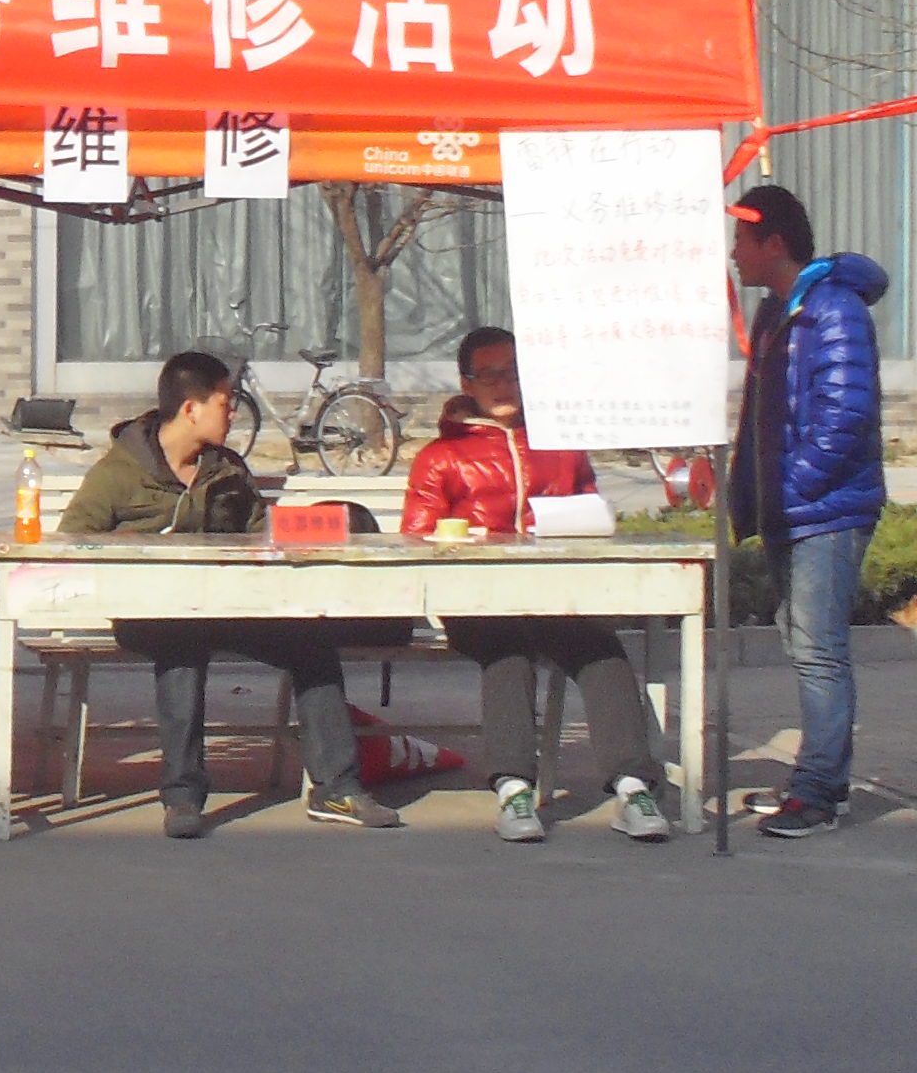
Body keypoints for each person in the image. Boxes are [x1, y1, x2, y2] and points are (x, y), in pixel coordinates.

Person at [59, 348, 384, 838]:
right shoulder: (120, 471)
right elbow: (71, 540)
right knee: (181, 640)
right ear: (191, 409)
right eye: (224, 402)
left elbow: (258, 532)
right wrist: (124, 547)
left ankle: (337, 787)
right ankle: (183, 795)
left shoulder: (226, 468)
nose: (232, 412)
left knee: (311, 643)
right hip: (149, 611)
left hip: (228, 605)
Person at [403, 326, 675, 844]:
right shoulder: (442, 456)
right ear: (467, 383)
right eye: (489, 375)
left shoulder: (560, 447)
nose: (504, 384)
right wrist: (459, 540)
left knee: (601, 652)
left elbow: (592, 516)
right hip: (477, 601)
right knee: (507, 653)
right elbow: (414, 541)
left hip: (553, 596)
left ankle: (634, 786)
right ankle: (513, 790)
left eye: (513, 373)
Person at [730, 184, 889, 840]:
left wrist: (793, 485)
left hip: (826, 511)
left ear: (774, 243)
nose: (733, 254)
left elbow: (845, 415)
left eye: (741, 241)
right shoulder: (777, 312)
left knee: (820, 650)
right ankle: (816, 778)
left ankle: (820, 793)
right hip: (790, 509)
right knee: (801, 643)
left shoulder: (834, 309)